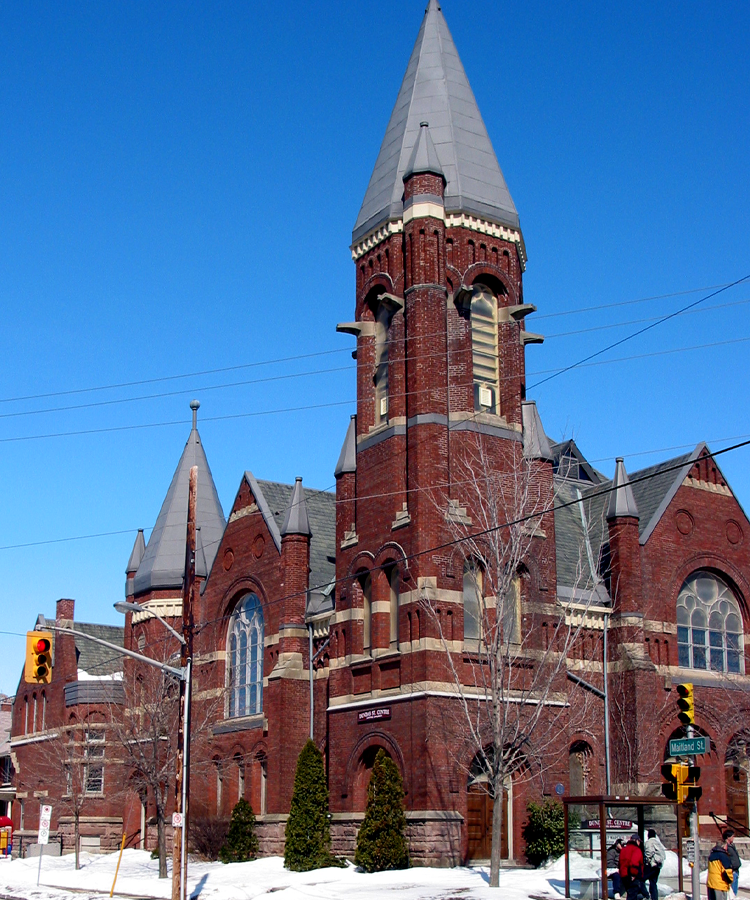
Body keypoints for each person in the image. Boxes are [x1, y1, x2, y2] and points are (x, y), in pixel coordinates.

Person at [619, 834, 646, 900]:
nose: (639, 843)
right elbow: (634, 862)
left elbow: (620, 862)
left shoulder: (623, 849)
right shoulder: (636, 850)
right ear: (636, 841)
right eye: (639, 841)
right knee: (632, 895)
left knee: (630, 893)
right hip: (633, 876)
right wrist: (633, 874)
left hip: (624, 875)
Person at [644, 829, 666, 900]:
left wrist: (647, 861)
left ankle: (647, 895)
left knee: (642, 879)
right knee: (653, 882)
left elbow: (649, 853)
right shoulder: (658, 843)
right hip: (658, 865)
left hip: (652, 865)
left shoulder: (649, 842)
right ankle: (654, 897)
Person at [723, 829, 741, 900]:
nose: (734, 838)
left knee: (734, 892)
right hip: (731, 871)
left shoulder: (732, 846)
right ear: (728, 837)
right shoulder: (725, 847)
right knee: (732, 893)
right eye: (732, 836)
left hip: (736, 871)